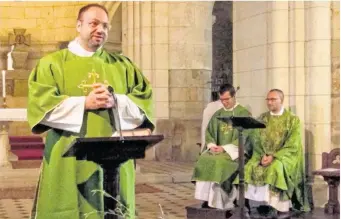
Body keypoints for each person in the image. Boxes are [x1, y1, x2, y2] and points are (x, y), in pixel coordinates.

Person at [27, 4, 153, 219]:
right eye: (93, 23)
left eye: (105, 25)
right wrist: (84, 103)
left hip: (115, 156)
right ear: (79, 25)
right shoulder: (52, 64)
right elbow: (41, 105)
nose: (100, 29)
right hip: (67, 157)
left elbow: (144, 103)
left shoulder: (123, 65)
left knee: (113, 209)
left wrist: (117, 101)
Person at [244, 89, 310, 218]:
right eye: (268, 99)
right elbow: (254, 139)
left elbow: (293, 144)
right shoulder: (262, 118)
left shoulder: (292, 120)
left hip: (284, 157)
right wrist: (262, 156)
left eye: (273, 99)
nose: (269, 102)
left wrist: (274, 156)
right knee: (248, 167)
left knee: (276, 167)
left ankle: (280, 206)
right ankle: (252, 203)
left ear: (281, 100)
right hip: (262, 155)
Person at [192, 84, 251, 210]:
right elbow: (210, 133)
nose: (224, 103)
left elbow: (246, 135)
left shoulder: (243, 113)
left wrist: (225, 148)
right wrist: (212, 146)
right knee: (204, 159)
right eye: (222, 100)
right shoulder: (218, 114)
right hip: (218, 150)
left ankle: (219, 201)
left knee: (218, 162)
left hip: (235, 153)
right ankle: (207, 198)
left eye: (227, 99)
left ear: (234, 96)